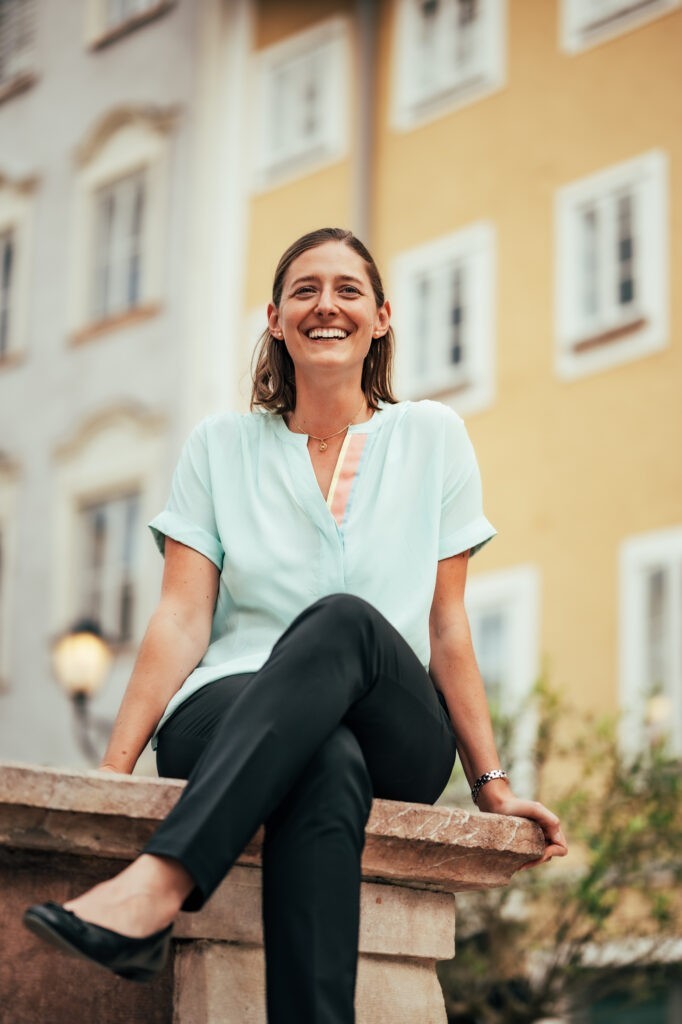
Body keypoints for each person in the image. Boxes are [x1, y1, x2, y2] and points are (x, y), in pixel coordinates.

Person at [24, 227, 567, 1021]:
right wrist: (113, 772)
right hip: (230, 708)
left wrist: (495, 786)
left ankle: (158, 884)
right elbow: (181, 618)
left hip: (394, 718)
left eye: (348, 290)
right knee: (324, 758)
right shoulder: (218, 446)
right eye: (305, 290)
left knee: (344, 624)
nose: (327, 305)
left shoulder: (432, 437)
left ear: (380, 318)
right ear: (275, 318)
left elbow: (447, 628)